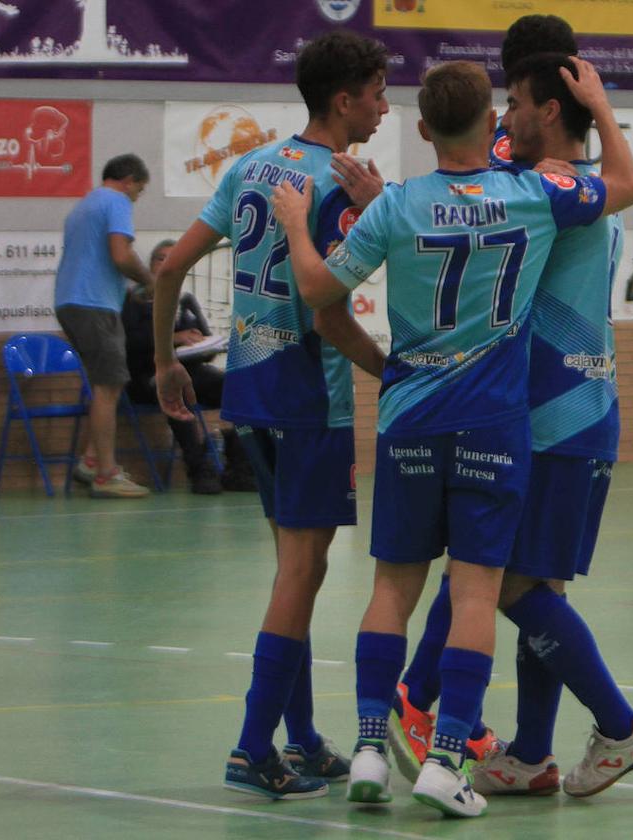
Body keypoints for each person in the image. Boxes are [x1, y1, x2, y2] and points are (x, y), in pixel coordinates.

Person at [273, 57, 633, 817]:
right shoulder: (535, 194)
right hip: (496, 427)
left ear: (419, 127)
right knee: (477, 591)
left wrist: (290, 222)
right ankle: (446, 763)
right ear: (490, 125)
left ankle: (371, 748)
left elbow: (318, 292)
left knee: (391, 588)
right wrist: (602, 109)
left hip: (410, 416)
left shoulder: (397, 206)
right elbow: (627, 189)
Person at [389, 45, 633, 802]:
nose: (504, 117)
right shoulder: (575, 186)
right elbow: (623, 178)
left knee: (496, 582)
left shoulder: (540, 186)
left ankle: (618, 724)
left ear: (547, 110)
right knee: (534, 582)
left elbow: (478, 172)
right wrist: (600, 106)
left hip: (546, 415)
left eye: (514, 102)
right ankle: (533, 754)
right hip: (585, 409)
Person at [153, 30, 389, 799]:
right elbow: (325, 311)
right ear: (343, 98)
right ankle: (253, 747)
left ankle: (303, 738)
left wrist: (165, 364)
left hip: (249, 399)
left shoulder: (253, 166)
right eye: (379, 92)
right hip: (307, 400)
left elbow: (170, 268)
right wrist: (395, 373)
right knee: (302, 571)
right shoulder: (334, 185)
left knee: (298, 571)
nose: (386, 106)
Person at [387, 11, 580, 785]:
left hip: (515, 390)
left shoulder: (516, 163)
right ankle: (515, 742)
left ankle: (430, 705)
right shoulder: (559, 170)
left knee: (494, 575)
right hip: (546, 390)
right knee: (504, 575)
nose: (508, 112)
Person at [55, 153, 154, 499]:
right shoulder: (116, 201)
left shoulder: (83, 206)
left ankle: (91, 460)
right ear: (129, 181)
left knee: (105, 384)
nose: (135, 199)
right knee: (109, 386)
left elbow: (95, 261)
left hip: (72, 301)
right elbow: (121, 255)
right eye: (139, 192)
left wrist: (131, 289)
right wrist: (150, 280)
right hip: (94, 304)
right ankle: (106, 474)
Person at [121, 239, 255, 494]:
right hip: (145, 376)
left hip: (191, 372)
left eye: (174, 258)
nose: (168, 263)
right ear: (150, 266)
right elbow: (129, 343)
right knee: (177, 390)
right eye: (161, 258)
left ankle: (239, 464)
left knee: (238, 387)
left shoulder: (186, 301)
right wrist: (172, 340)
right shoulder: (134, 301)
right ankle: (198, 468)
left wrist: (201, 342)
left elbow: (205, 350)